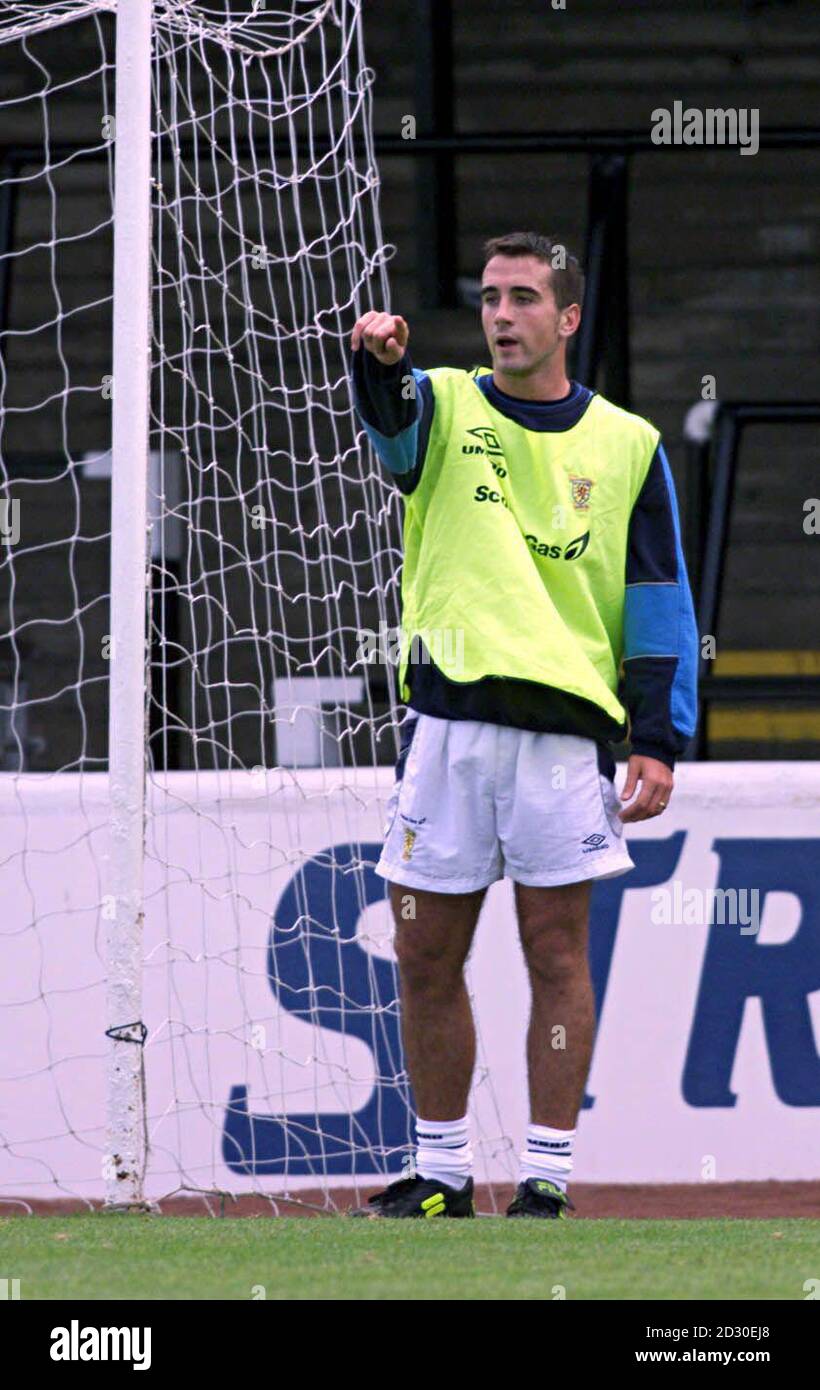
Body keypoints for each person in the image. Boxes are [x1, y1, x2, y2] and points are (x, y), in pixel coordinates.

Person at [348, 231, 698, 1219]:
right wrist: (377, 361)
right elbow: (392, 428)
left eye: (523, 298)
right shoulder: (444, 401)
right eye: (491, 297)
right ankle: (440, 1175)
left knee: (554, 954)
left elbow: (658, 596)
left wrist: (658, 736)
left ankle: (545, 1176)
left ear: (568, 317)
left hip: (561, 739)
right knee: (422, 952)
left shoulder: (628, 444)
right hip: (447, 727)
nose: (502, 314)